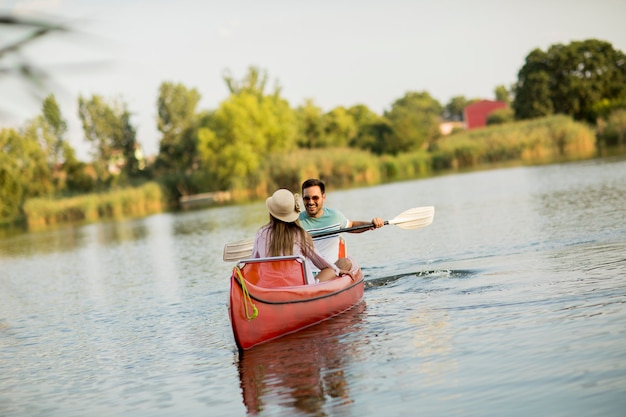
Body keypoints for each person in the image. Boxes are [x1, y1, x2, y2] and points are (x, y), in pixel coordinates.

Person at [251, 188, 352, 284]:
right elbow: (320, 261)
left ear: (271, 213)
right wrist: (337, 270)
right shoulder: (300, 234)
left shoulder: (261, 233)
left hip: (269, 286)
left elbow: (253, 264)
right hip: (299, 287)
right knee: (331, 269)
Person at [298, 178, 385, 264]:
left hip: (333, 270)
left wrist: (371, 224)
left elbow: (351, 226)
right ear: (302, 198)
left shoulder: (334, 216)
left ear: (323, 197)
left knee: (345, 263)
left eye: (315, 198)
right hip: (306, 272)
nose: (311, 202)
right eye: (306, 198)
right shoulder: (295, 222)